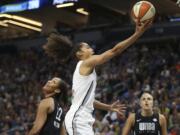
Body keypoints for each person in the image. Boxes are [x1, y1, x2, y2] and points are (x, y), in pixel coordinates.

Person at [43, 20, 152, 135]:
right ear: (79, 54)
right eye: (87, 47)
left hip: (80, 118)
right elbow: (115, 50)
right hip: (78, 118)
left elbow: (89, 101)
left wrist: (108, 107)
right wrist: (138, 34)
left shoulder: (83, 69)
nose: (91, 48)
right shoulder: (85, 63)